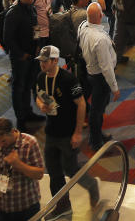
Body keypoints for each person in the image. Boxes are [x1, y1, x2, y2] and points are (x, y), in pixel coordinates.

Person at [34, 46, 100, 217]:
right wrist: (41, 105)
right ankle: (63, 205)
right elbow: (38, 95)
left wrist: (78, 133)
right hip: (51, 132)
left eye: (45, 61)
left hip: (67, 132)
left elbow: (81, 104)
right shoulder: (41, 77)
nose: (42, 64)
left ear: (55, 60)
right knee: (54, 172)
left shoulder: (68, 79)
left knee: (70, 169)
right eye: (41, 61)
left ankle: (91, 185)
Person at [0, 117, 45, 221]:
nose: (0, 145)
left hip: (26, 206)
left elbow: (39, 174)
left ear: (12, 132)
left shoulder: (29, 143)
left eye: (3, 141)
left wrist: (19, 165)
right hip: (0, 206)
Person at [78, 3, 120, 152]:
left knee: (98, 108)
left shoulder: (83, 27)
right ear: (101, 16)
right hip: (100, 78)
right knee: (97, 110)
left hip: (90, 73)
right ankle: (95, 142)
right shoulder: (100, 39)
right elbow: (106, 67)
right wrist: (115, 88)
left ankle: (97, 135)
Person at [2, 0, 44, 131]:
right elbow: (8, 38)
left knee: (28, 85)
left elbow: (36, 26)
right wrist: (21, 54)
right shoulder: (13, 14)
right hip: (20, 58)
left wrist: (38, 43)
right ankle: (20, 120)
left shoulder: (31, 9)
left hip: (33, 55)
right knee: (18, 87)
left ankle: (28, 113)